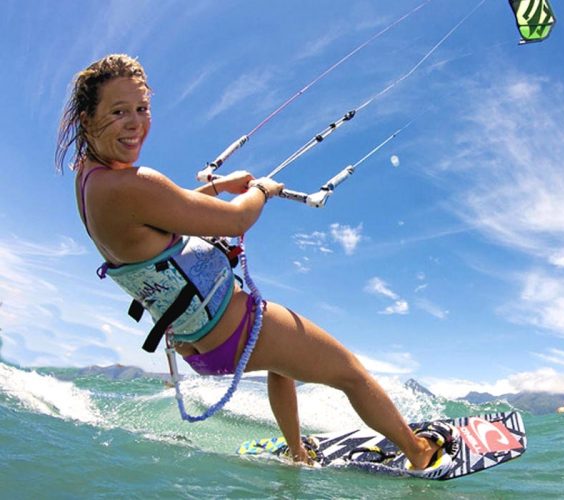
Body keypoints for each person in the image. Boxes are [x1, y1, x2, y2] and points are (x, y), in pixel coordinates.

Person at [55, 54, 453, 477]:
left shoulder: (90, 178)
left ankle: (297, 453)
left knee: (283, 365)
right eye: (118, 112)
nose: (135, 123)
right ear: (87, 118)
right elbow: (236, 219)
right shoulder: (132, 184)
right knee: (351, 373)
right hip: (230, 330)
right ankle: (418, 452)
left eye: (142, 109)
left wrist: (218, 186)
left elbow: (162, 211)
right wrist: (261, 190)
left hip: (195, 341)